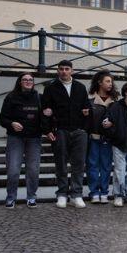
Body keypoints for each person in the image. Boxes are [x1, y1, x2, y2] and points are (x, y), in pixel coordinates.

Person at [42, 60, 91, 209]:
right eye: (61, 69)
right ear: (58, 71)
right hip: (60, 130)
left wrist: (85, 127)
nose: (64, 71)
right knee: (61, 163)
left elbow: (86, 107)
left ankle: (76, 194)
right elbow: (45, 111)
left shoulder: (80, 87)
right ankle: (62, 194)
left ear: (72, 71)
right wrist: (47, 130)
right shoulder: (51, 88)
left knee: (79, 164)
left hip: (79, 131)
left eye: (67, 69)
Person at [0, 72, 45, 209]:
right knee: (13, 169)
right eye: (25, 79)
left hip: (34, 138)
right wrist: (11, 123)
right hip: (15, 138)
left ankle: (31, 197)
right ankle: (11, 197)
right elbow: (2, 119)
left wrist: (48, 115)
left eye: (30, 79)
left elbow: (46, 116)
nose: (28, 81)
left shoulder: (39, 97)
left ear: (33, 82)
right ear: (20, 82)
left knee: (33, 170)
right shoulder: (11, 97)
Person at [86, 71, 117, 204]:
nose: (110, 84)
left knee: (106, 166)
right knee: (92, 166)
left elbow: (119, 119)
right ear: (99, 82)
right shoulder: (90, 100)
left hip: (108, 139)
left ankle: (104, 192)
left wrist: (112, 123)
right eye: (107, 81)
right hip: (93, 138)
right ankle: (94, 192)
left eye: (111, 82)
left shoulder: (115, 101)